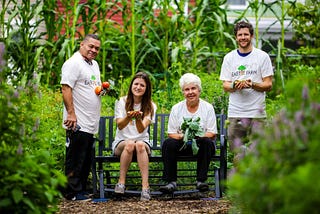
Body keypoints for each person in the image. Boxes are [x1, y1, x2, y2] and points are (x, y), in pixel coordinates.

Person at [219, 21, 274, 165]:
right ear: (236, 37)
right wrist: (235, 85)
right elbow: (225, 85)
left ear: (251, 36)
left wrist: (252, 84)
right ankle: (240, 185)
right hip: (236, 113)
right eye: (240, 35)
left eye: (245, 34)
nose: (243, 37)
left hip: (257, 114)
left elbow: (268, 84)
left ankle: (257, 184)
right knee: (236, 153)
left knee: (260, 152)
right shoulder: (229, 58)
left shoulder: (262, 56)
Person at [159, 73, 217, 193]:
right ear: (183, 92)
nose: (190, 92)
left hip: (200, 145)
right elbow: (171, 133)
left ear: (199, 90)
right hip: (182, 145)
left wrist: (196, 136)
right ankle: (171, 182)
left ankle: (201, 181)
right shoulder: (176, 108)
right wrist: (184, 136)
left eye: (193, 88)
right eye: (187, 89)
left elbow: (212, 133)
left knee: (207, 142)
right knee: (168, 143)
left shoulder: (207, 107)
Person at [61, 34, 101, 201]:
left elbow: (93, 86)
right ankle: (71, 192)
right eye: (90, 46)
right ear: (82, 44)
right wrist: (71, 113)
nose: (93, 50)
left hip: (90, 121)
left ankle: (81, 190)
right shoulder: (73, 63)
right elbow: (66, 88)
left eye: (97, 48)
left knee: (84, 157)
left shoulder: (94, 64)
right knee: (75, 157)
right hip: (77, 120)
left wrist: (101, 90)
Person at [112, 71, 157, 201]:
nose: (138, 87)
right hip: (122, 142)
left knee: (140, 144)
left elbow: (141, 129)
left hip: (142, 142)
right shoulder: (121, 101)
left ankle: (145, 187)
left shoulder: (151, 106)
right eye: (136, 84)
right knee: (130, 144)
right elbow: (120, 125)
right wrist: (129, 116)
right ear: (131, 85)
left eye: (142, 85)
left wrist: (137, 118)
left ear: (146, 88)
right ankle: (121, 183)